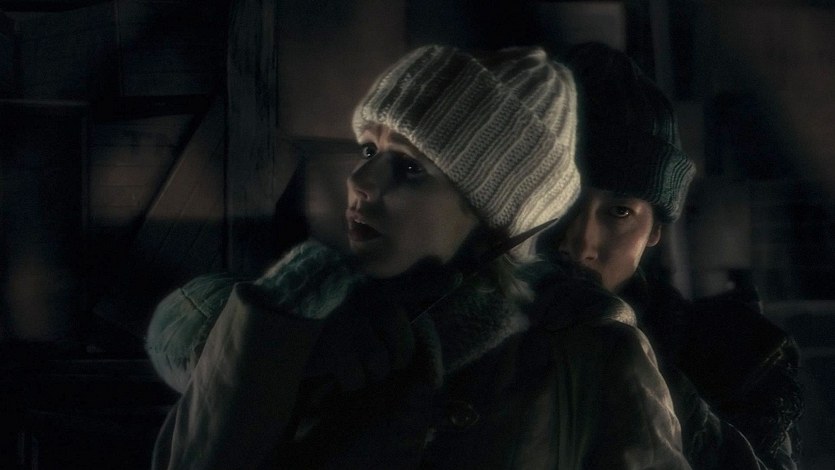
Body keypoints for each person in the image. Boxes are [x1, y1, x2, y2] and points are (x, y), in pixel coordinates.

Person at [146, 44, 691, 469]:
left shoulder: (590, 349)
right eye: (369, 149)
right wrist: (278, 321)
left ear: (494, 215)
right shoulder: (315, 306)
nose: (359, 180)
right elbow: (189, 326)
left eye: (410, 168)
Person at [539, 42, 803, 469]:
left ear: (655, 230)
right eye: (562, 202)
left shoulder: (730, 359)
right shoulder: (457, 330)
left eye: (619, 212)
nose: (581, 243)